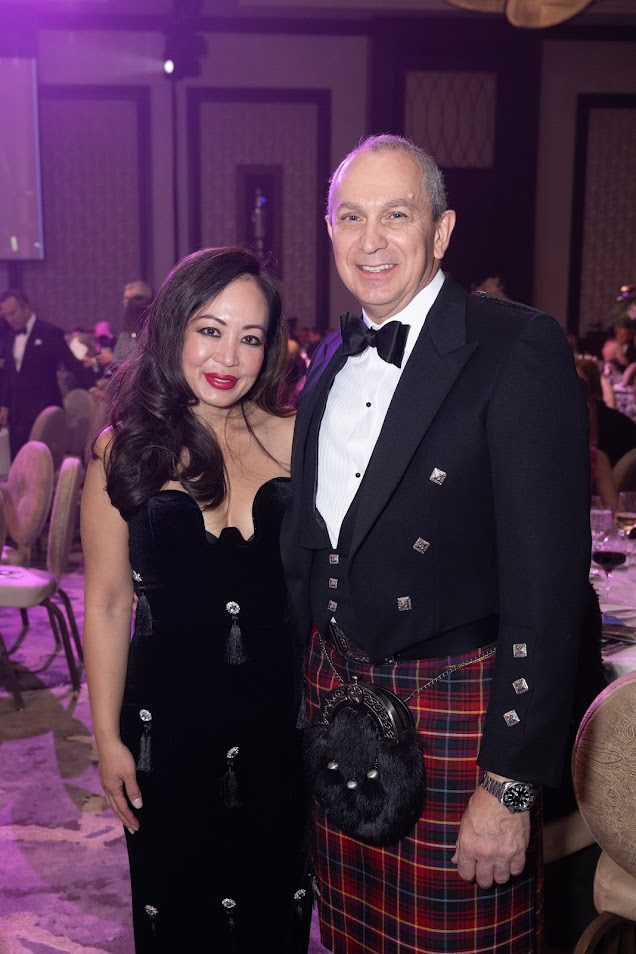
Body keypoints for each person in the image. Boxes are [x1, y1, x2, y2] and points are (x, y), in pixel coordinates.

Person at [281, 135, 590, 952]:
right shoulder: (328, 357)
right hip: (337, 715)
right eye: (352, 217)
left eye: (397, 214)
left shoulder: (516, 346)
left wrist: (510, 784)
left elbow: (547, 587)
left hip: (456, 720)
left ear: (442, 231)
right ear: (330, 231)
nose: (371, 240)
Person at [81, 247, 312, 953]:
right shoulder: (123, 449)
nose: (228, 357)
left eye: (250, 337)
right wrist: (106, 738)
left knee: (274, 913)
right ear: (173, 327)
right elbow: (108, 603)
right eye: (210, 330)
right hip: (165, 731)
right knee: (176, 915)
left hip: (277, 727)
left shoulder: (297, 440)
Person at [0, 289, 94, 458]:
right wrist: (4, 405)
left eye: (13, 313)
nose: (10, 319)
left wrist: (91, 387)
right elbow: (8, 375)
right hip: (17, 415)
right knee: (19, 463)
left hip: (45, 410)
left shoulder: (49, 332)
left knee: (46, 464)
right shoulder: (9, 336)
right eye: (6, 315)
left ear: (26, 307)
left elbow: (72, 363)